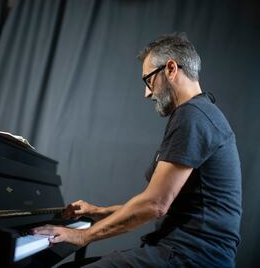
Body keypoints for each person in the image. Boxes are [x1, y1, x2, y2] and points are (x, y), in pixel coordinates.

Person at [32, 33, 242, 267]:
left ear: (170, 68)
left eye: (148, 80)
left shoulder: (192, 115)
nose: (147, 93)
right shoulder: (202, 112)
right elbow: (162, 202)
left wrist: (81, 236)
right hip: (183, 253)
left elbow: (155, 204)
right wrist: (99, 212)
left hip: (192, 258)